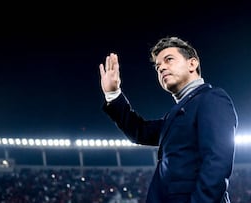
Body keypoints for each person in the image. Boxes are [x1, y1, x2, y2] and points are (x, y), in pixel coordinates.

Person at [98, 36, 238, 203]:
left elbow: (217, 162)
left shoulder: (211, 98)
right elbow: (140, 131)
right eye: (158, 67)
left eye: (169, 60)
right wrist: (113, 94)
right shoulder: (176, 114)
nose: (162, 68)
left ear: (192, 64)